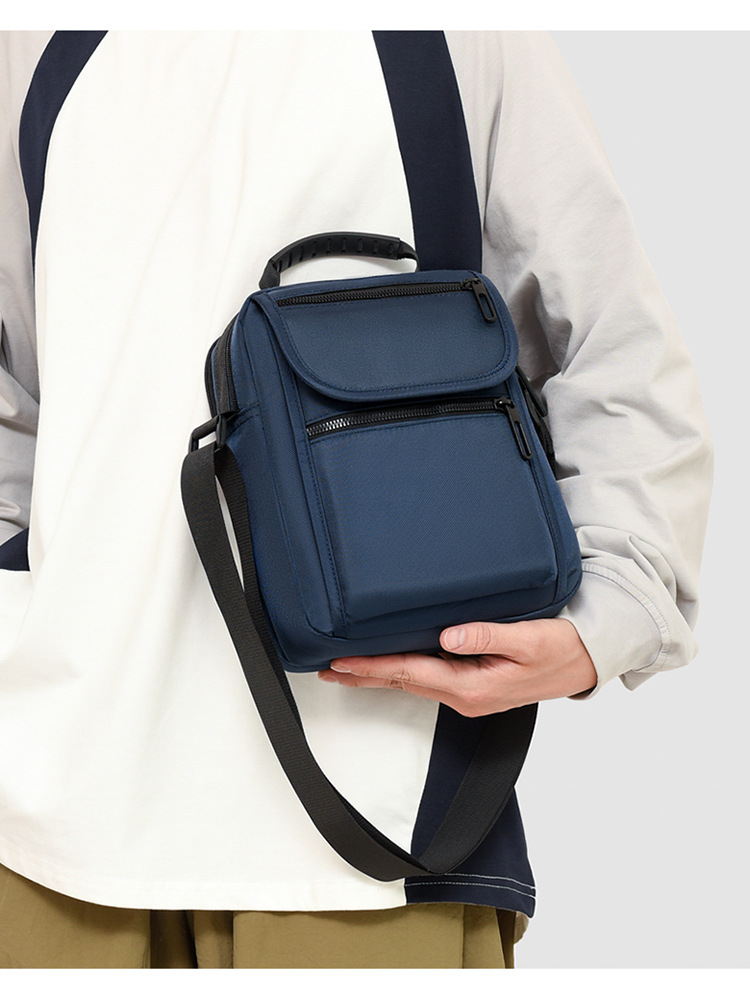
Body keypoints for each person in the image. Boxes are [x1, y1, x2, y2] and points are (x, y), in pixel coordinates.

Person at [0, 30, 712, 969]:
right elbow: (17, 394)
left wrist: (606, 618)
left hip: (380, 818)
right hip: (46, 814)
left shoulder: (469, 34)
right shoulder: (29, 41)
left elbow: (614, 346)